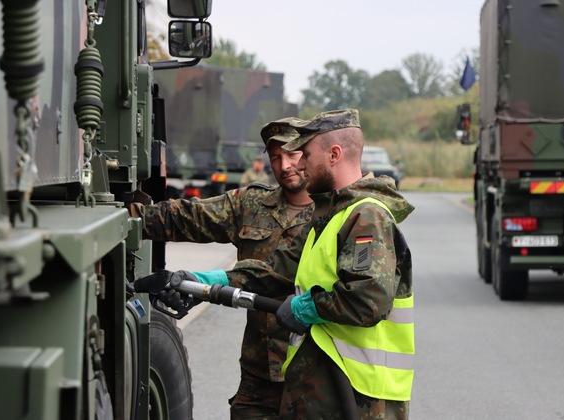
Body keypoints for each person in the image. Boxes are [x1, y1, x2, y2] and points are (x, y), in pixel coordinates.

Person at [130, 117, 314, 419]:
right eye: (275, 157)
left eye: (292, 154)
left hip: (313, 371)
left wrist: (205, 282)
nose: (284, 166)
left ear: (308, 153)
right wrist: (132, 216)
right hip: (259, 373)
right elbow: (190, 217)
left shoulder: (333, 214)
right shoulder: (253, 203)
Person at [274, 109, 416, 419]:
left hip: (358, 399)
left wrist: (309, 307)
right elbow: (283, 272)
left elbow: (367, 300)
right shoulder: (332, 215)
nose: (297, 164)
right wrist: (213, 281)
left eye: (305, 155)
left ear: (334, 154)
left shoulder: (366, 217)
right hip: (327, 393)